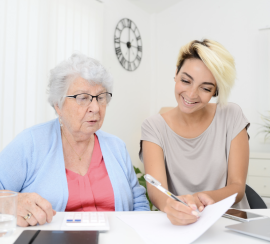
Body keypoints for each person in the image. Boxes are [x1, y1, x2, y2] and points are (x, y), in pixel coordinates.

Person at [0, 53, 149, 227]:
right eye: (83, 98)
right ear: (58, 105)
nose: (95, 108)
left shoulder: (116, 147)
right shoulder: (30, 143)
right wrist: (14, 201)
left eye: (100, 97)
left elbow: (139, 202)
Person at [140, 39, 249, 226]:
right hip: (182, 224)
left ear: (216, 91)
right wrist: (171, 206)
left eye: (205, 88)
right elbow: (157, 191)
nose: (191, 94)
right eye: (185, 81)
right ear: (175, 74)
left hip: (230, 222)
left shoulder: (231, 115)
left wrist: (201, 198)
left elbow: (237, 186)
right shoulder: (153, 127)